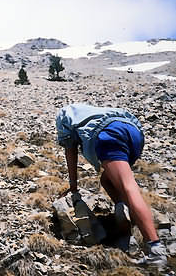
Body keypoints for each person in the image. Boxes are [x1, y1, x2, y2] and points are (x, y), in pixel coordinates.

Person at [56, 104, 167, 268]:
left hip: (110, 135)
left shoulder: (63, 115)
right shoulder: (92, 112)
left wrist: (73, 188)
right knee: (107, 181)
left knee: (128, 186)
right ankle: (124, 209)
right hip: (133, 132)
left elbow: (70, 151)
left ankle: (155, 249)